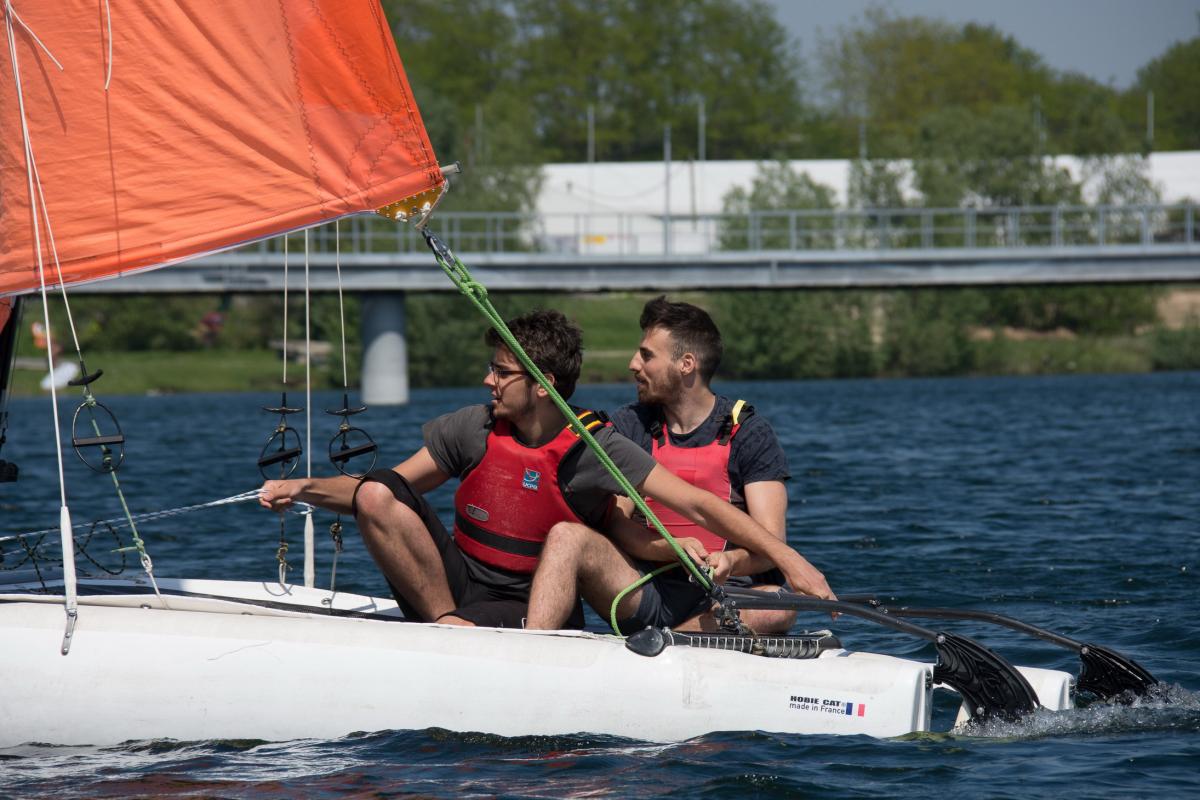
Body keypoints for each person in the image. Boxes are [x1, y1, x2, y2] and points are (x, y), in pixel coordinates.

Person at [262, 308, 830, 629]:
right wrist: (305, 486)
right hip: (460, 587)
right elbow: (385, 491)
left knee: (567, 535)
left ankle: (526, 657)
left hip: (525, 601)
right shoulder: (471, 427)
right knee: (377, 491)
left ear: (542, 385)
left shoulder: (596, 447)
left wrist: (789, 563)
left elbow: (698, 504)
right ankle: (446, 627)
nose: (488, 381)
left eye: (500, 372)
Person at [526, 297, 833, 634]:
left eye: (647, 356)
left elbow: (771, 546)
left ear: (686, 364)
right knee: (566, 537)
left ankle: (672, 639)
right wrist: (672, 551)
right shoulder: (629, 425)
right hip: (644, 591)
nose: (633, 364)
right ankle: (533, 646)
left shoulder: (749, 433)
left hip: (726, 599)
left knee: (779, 607)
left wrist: (730, 561)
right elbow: (616, 523)